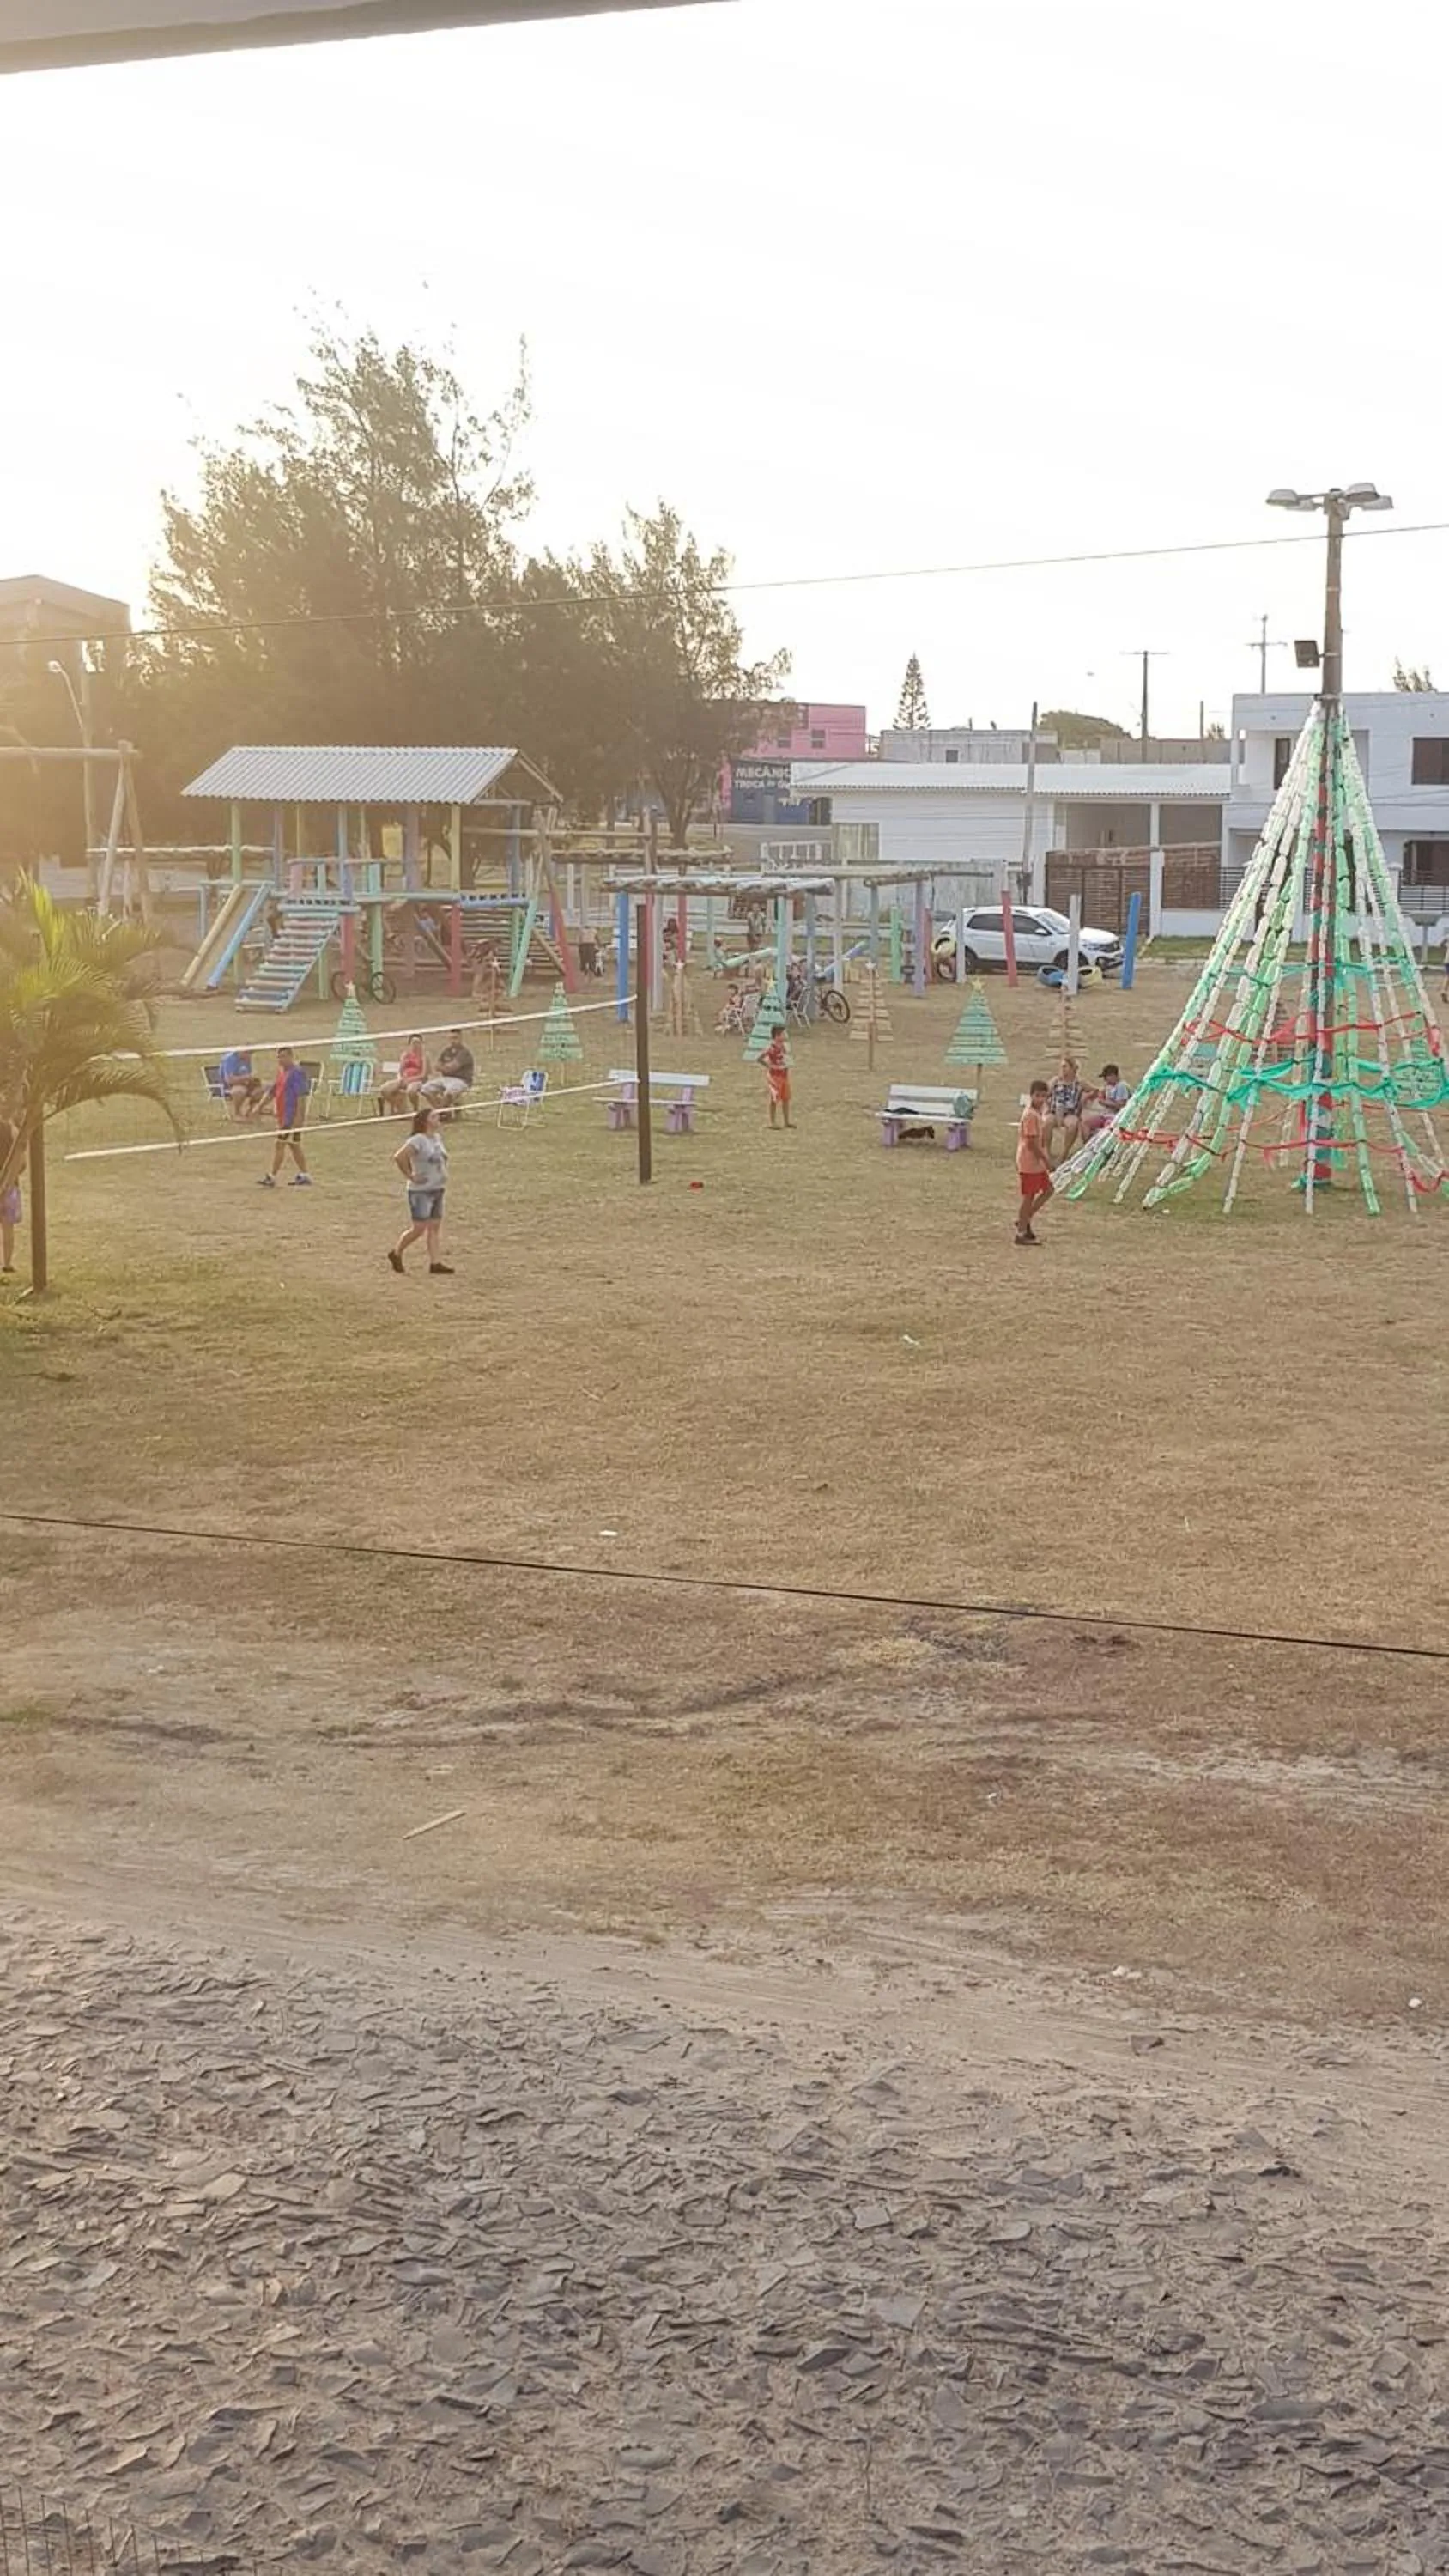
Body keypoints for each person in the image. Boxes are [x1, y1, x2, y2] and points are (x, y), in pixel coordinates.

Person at [388, 1105, 453, 1276]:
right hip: (421, 1191)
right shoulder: (417, 1140)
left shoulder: (437, 1138)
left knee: (434, 1227)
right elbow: (399, 1157)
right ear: (425, 1122)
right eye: (434, 1117)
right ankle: (396, 1252)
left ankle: (435, 1263)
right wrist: (411, 1175)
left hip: (437, 1188)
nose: (438, 1119)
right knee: (419, 1228)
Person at [259, 1046, 312, 1187]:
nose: (280, 1060)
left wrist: (299, 1118)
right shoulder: (282, 1072)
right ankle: (305, 1174)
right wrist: (260, 1106)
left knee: (280, 1144)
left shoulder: (297, 1073)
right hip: (283, 1116)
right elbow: (273, 1090)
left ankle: (272, 1176)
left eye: (283, 1057)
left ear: (290, 1056)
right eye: (279, 1057)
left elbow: (301, 1096)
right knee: (294, 1146)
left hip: (291, 1117)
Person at [1016, 1079, 1053, 1246]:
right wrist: (1046, 1160)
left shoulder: (1038, 1113)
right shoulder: (1031, 1115)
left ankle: (1025, 1219)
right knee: (1029, 1195)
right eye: (1038, 1096)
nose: (1041, 1099)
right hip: (1030, 1161)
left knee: (1047, 1189)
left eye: (1043, 1096)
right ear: (1031, 1095)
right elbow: (1031, 1144)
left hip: (1035, 1161)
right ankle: (1022, 1230)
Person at [420, 1029, 475, 1113]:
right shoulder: (446, 1051)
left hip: (461, 1080)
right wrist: (446, 1067)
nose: (453, 1041)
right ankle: (441, 1111)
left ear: (461, 1038)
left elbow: (452, 1067)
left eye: (455, 1038)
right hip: (445, 1078)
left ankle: (440, 1112)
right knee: (425, 1090)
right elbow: (436, 1066)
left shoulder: (464, 1053)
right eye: (451, 1038)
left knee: (448, 1093)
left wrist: (445, 1067)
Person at [377, 1035, 428, 1118]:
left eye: (418, 1043)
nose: (416, 1045)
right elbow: (401, 1070)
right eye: (414, 1043)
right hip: (404, 1080)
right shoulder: (405, 1055)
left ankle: (415, 1110)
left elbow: (423, 1074)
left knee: (411, 1090)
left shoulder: (424, 1056)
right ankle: (400, 1106)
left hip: (418, 1080)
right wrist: (401, 1078)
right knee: (384, 1089)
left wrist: (411, 1079)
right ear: (410, 1044)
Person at [1045, 1055, 1084, 1161]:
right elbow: (1044, 1093)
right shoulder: (1055, 1081)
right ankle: (1047, 1152)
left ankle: (1064, 1153)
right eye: (1062, 1067)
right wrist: (1047, 1106)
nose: (1062, 1070)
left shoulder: (1079, 1082)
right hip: (1054, 1111)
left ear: (1072, 1069)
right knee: (1047, 1122)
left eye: (1065, 1067)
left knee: (1073, 1125)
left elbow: (1095, 1090)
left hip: (1069, 1113)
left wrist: (1085, 1099)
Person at [1082, 1061, 1130, 1139]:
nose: (1105, 1080)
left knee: (1107, 1127)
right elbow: (1098, 1092)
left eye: (1106, 1077)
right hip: (1105, 1115)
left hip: (1115, 1117)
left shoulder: (1122, 1087)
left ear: (1113, 1076)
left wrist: (1103, 1102)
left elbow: (1120, 1105)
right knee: (1085, 1124)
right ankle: (1087, 1146)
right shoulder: (1109, 1087)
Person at [218, 1043, 264, 1120]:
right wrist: (246, 1078)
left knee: (260, 1090)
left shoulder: (246, 1059)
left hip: (244, 1084)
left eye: (250, 1053)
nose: (250, 1056)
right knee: (240, 1091)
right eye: (248, 1053)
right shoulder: (230, 1060)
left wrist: (252, 1080)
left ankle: (251, 1112)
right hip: (230, 1086)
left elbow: (247, 1074)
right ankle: (237, 1114)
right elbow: (229, 1080)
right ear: (241, 1052)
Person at [0, 1114, 21, 1274]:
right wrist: (9, 1181)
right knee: (8, 1227)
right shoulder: (12, 1130)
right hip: (10, 1186)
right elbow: (22, 1161)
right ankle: (7, 1263)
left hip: (8, 1186)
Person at [761, 1024, 792, 1130]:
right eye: (783, 1034)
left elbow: (786, 1058)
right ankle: (772, 1122)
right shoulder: (771, 1048)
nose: (785, 1036)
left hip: (784, 1075)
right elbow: (760, 1058)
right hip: (775, 1076)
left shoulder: (783, 1047)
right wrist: (770, 1066)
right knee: (774, 1099)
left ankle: (786, 1121)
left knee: (786, 1098)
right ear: (777, 1036)